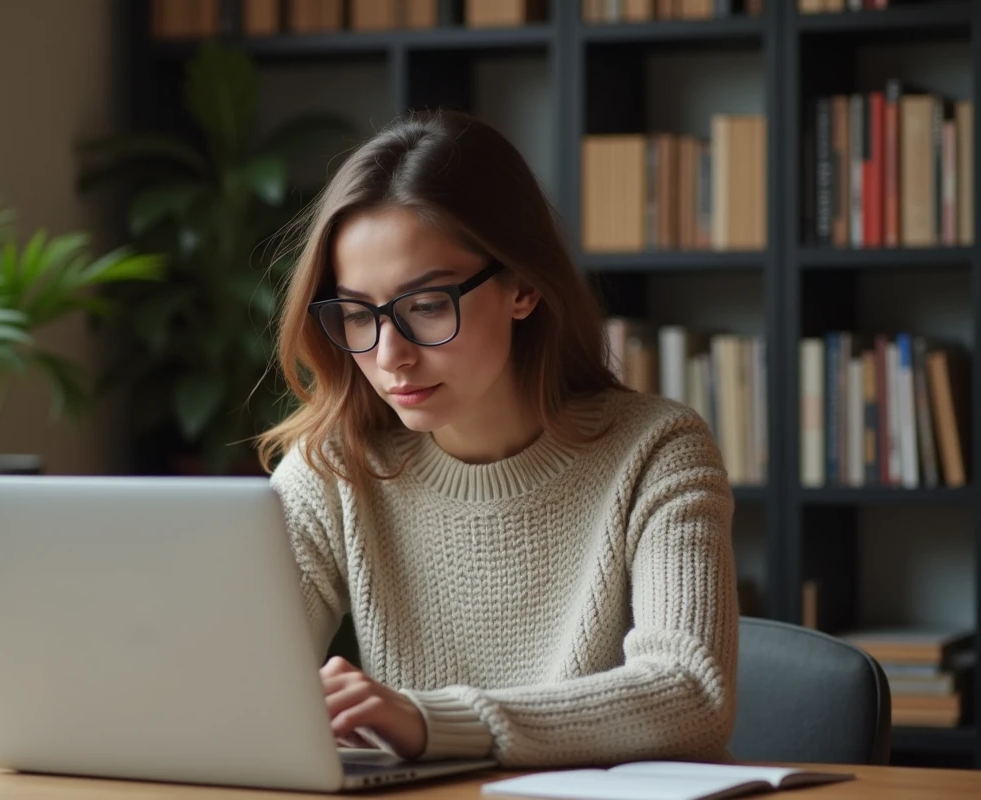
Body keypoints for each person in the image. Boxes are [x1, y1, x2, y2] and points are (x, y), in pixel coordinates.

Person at [255, 109, 738, 769]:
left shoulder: (657, 451)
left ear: (523, 287)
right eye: (357, 314)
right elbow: (236, 679)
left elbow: (691, 695)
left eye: (427, 306)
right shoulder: (335, 466)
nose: (390, 356)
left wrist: (432, 721)